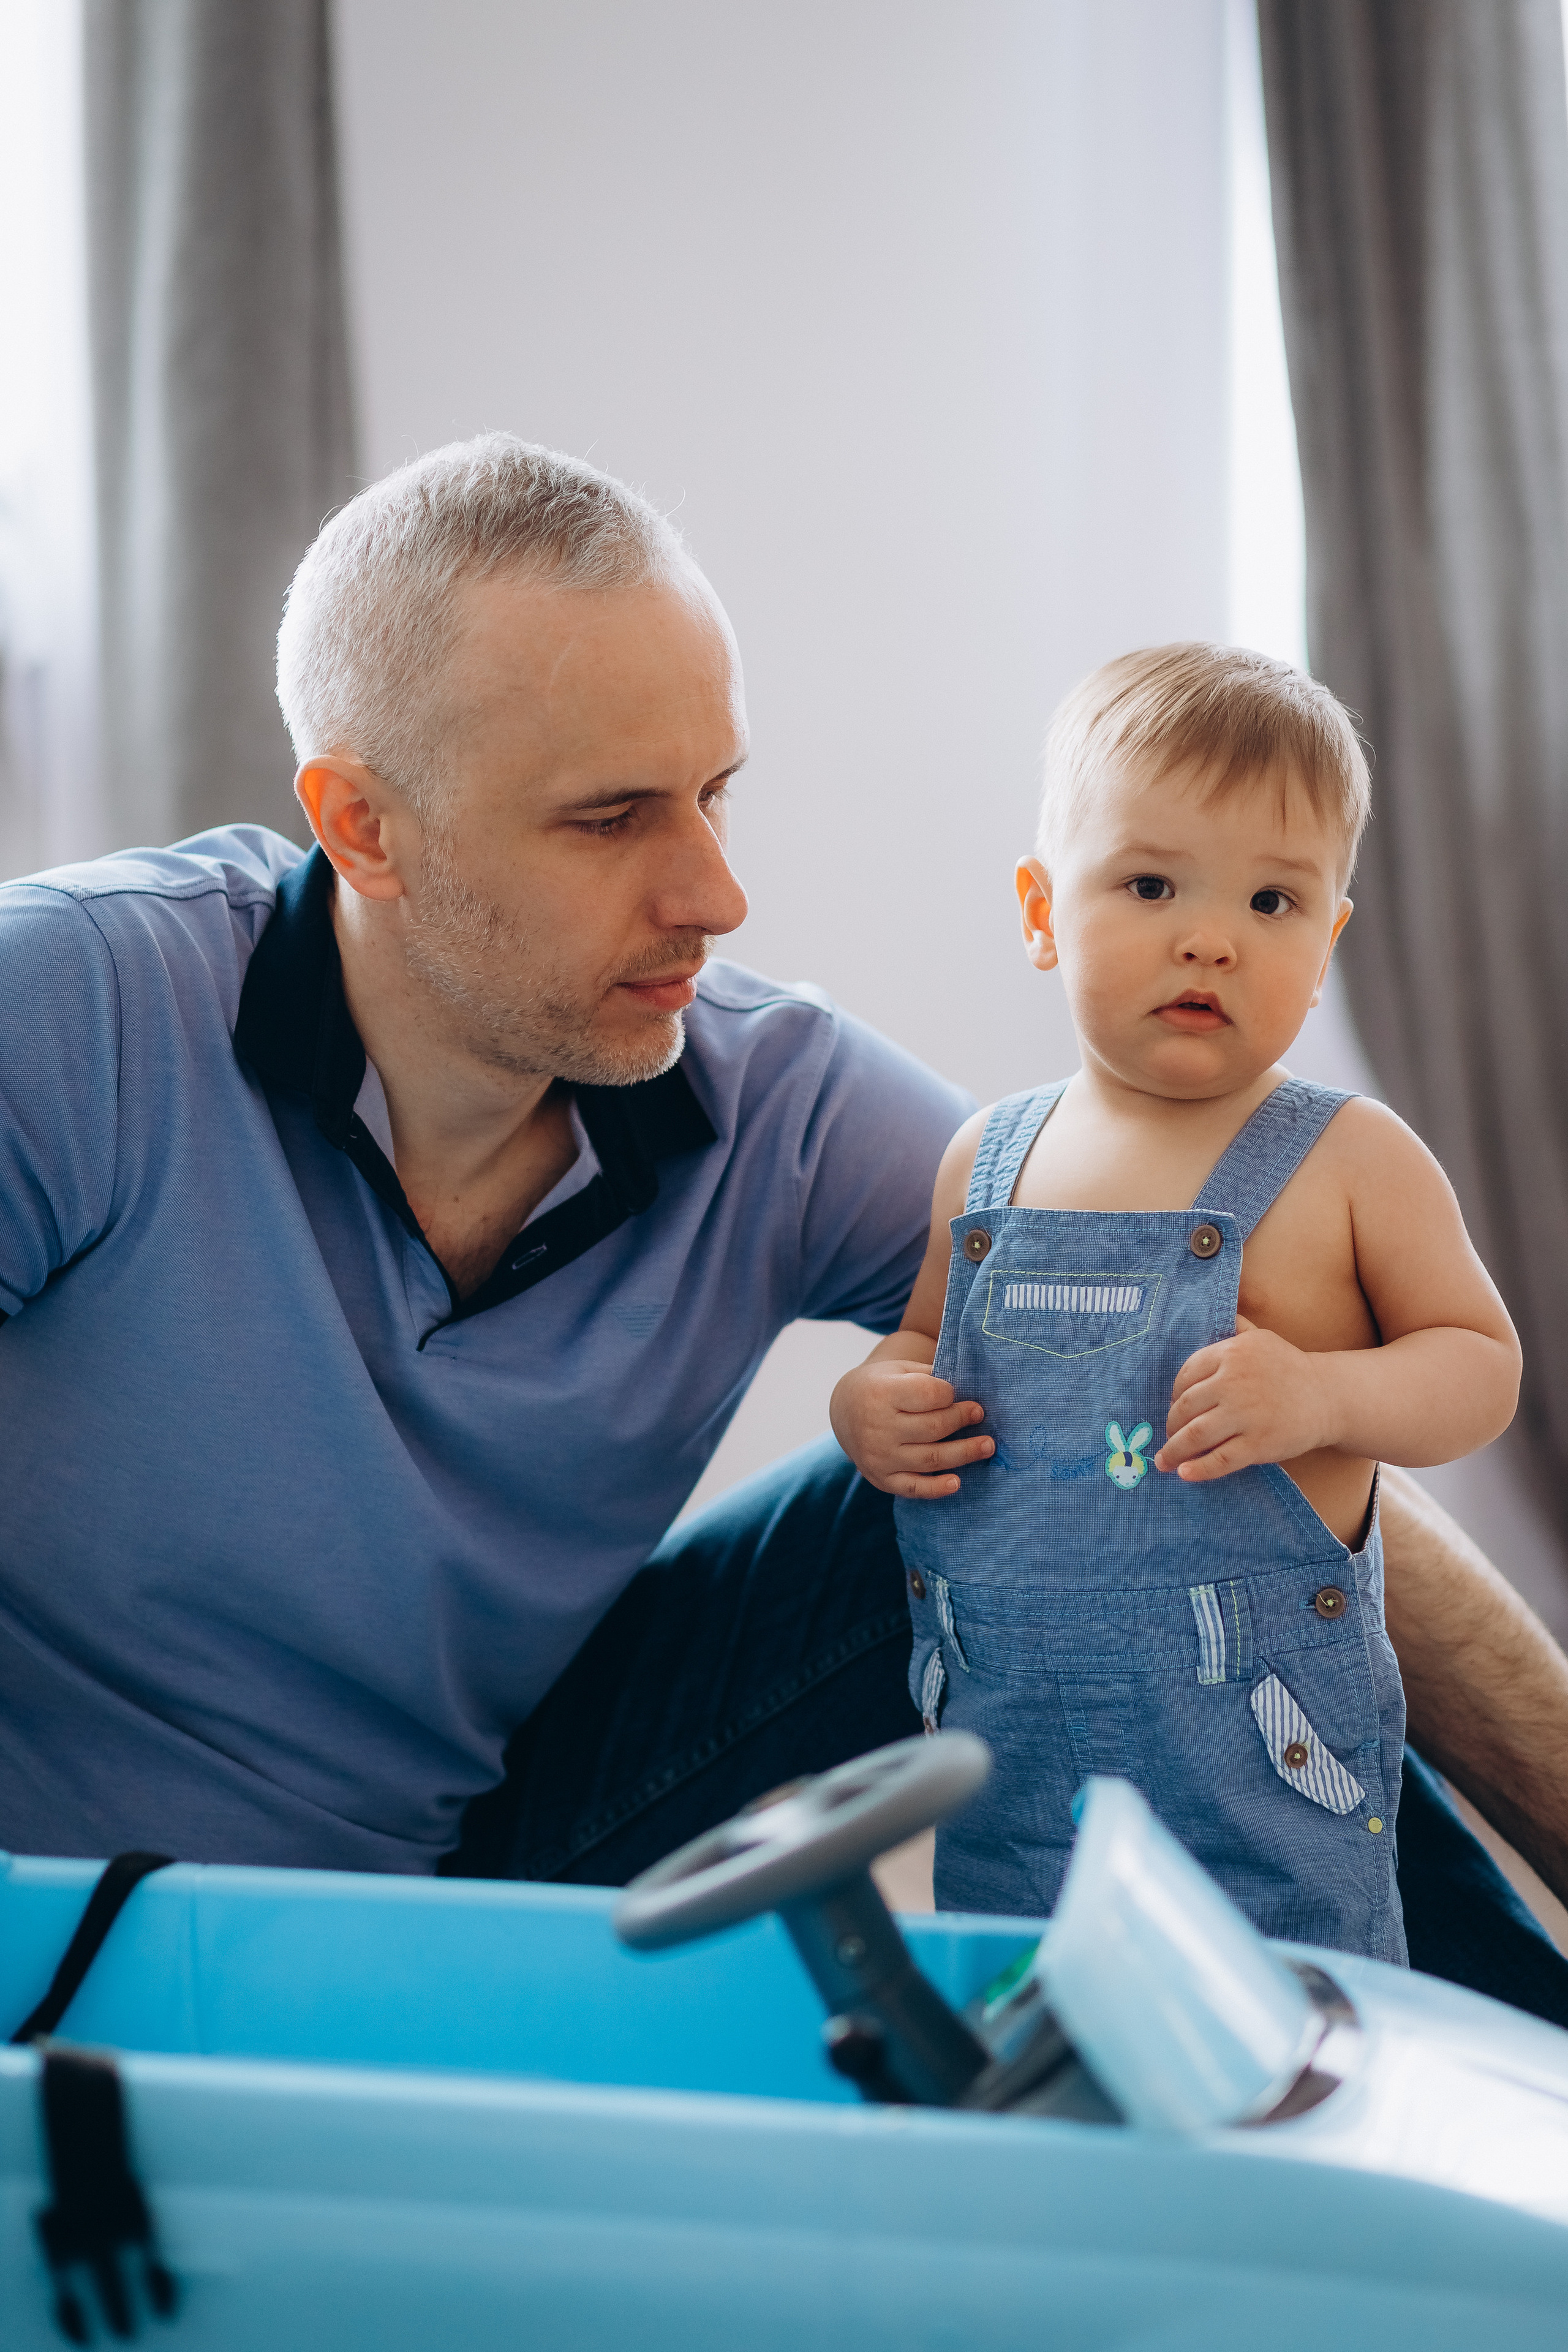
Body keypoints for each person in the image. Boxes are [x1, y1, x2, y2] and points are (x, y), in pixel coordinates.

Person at [0, 436, 1563, 2022]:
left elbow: (1227, 1405)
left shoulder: (773, 1098)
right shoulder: (73, 1010)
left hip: (467, 1873)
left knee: (1036, 1414)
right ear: (365, 827)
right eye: (612, 820)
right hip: (57, 1925)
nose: (717, 892)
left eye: (715, 793)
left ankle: (1509, 2103)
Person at [829, 646, 1520, 1958]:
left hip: (1252, 1751)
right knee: (1036, 2006)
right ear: (1041, 910)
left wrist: (1323, 1392)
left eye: (1271, 901)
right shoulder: (983, 1157)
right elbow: (920, 1337)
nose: (1210, 935)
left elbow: (1476, 1365)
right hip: (1010, 1745)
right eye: (1149, 884)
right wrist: (872, 1401)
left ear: (1325, 943)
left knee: (1298, 2027)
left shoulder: (1346, 1157)